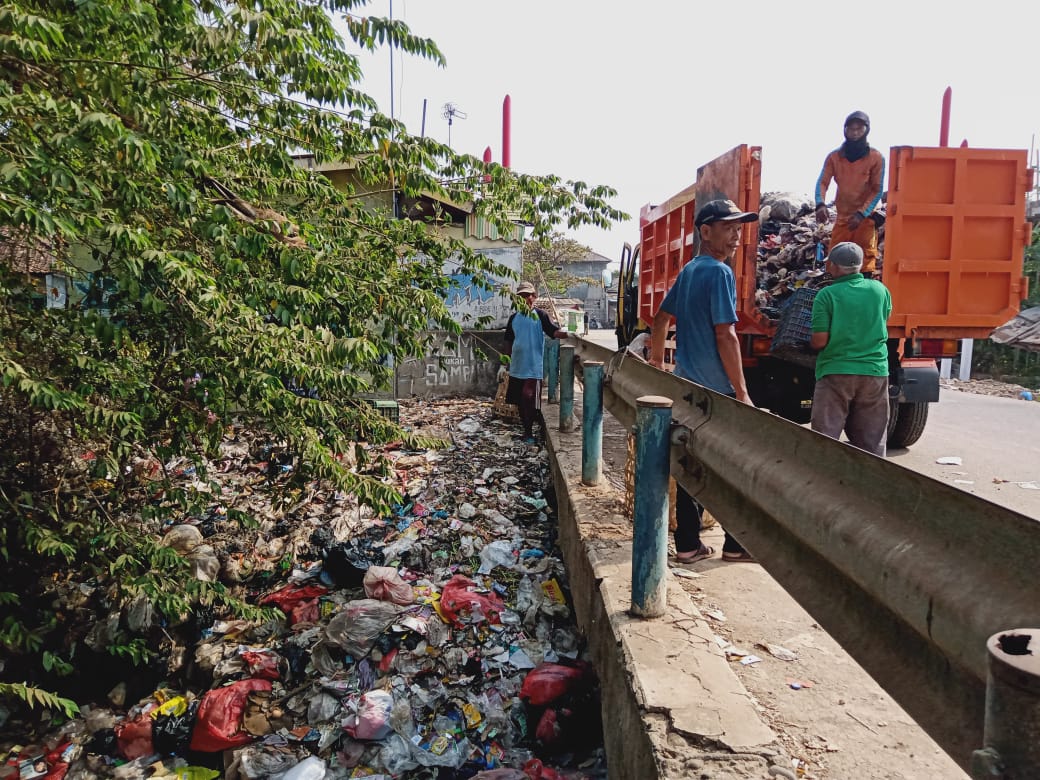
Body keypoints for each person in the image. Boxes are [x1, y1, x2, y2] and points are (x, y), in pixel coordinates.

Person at [648, 198, 756, 564]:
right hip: (716, 391)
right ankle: (736, 545)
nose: (736, 237)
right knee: (728, 470)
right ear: (705, 232)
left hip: (686, 386)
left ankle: (690, 545)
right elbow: (726, 335)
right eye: (728, 229)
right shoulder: (719, 273)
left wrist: (657, 363)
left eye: (738, 229)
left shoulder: (691, 270)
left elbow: (660, 320)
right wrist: (741, 391)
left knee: (690, 464)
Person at [809, 242, 893, 456]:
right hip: (875, 373)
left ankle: (824, 485)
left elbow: (819, 341)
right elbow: (883, 319)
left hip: (836, 372)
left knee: (825, 442)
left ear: (835, 267)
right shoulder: (880, 290)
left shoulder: (826, 295)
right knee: (872, 445)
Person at [814, 111, 885, 277]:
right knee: (835, 261)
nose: (855, 132)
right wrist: (820, 204)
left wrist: (862, 214)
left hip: (865, 220)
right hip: (843, 218)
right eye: (851, 128)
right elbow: (822, 182)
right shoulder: (834, 157)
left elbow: (877, 189)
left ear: (866, 130)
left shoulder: (876, 158)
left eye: (859, 129)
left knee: (865, 264)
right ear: (845, 130)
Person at [504, 281, 567, 444]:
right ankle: (526, 430)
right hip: (517, 365)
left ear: (535, 297)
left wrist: (567, 333)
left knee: (528, 396)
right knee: (519, 399)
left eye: (529, 295)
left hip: (533, 366)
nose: (526, 299)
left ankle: (530, 431)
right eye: (522, 296)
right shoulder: (513, 318)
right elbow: (509, 341)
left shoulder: (540, 315)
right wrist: (506, 363)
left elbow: (553, 331)